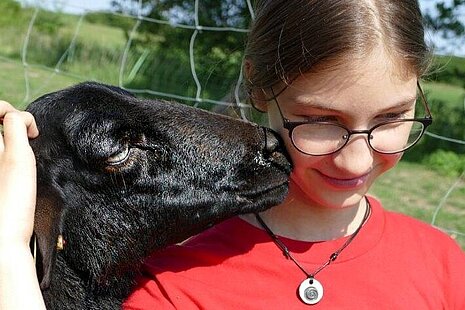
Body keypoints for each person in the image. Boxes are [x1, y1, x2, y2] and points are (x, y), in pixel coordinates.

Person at [1, 0, 464, 309]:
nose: (357, 161)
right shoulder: (167, 285)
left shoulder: (445, 265)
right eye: (321, 120)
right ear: (258, 87)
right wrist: (8, 253)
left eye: (391, 118)